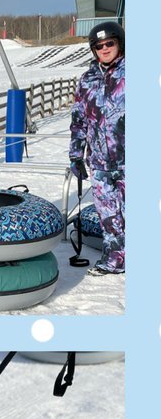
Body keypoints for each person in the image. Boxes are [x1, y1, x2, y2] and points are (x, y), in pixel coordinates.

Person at [69, 20, 125, 275]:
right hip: (100, 162)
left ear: (119, 42)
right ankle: (115, 260)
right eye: (99, 46)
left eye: (109, 43)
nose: (104, 49)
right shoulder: (87, 79)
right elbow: (79, 119)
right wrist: (76, 156)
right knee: (108, 214)